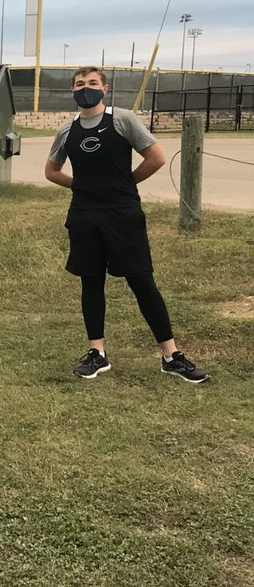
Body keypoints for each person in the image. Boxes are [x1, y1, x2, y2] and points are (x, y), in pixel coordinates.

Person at [44, 67, 208, 383]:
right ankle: (97, 354)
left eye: (92, 83)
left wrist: (126, 182)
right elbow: (51, 171)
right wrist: (79, 186)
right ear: (73, 91)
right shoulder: (66, 130)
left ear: (105, 89)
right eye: (80, 84)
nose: (86, 88)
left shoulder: (122, 120)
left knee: (142, 281)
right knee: (91, 282)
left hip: (123, 214)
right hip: (84, 215)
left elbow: (156, 157)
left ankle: (171, 355)